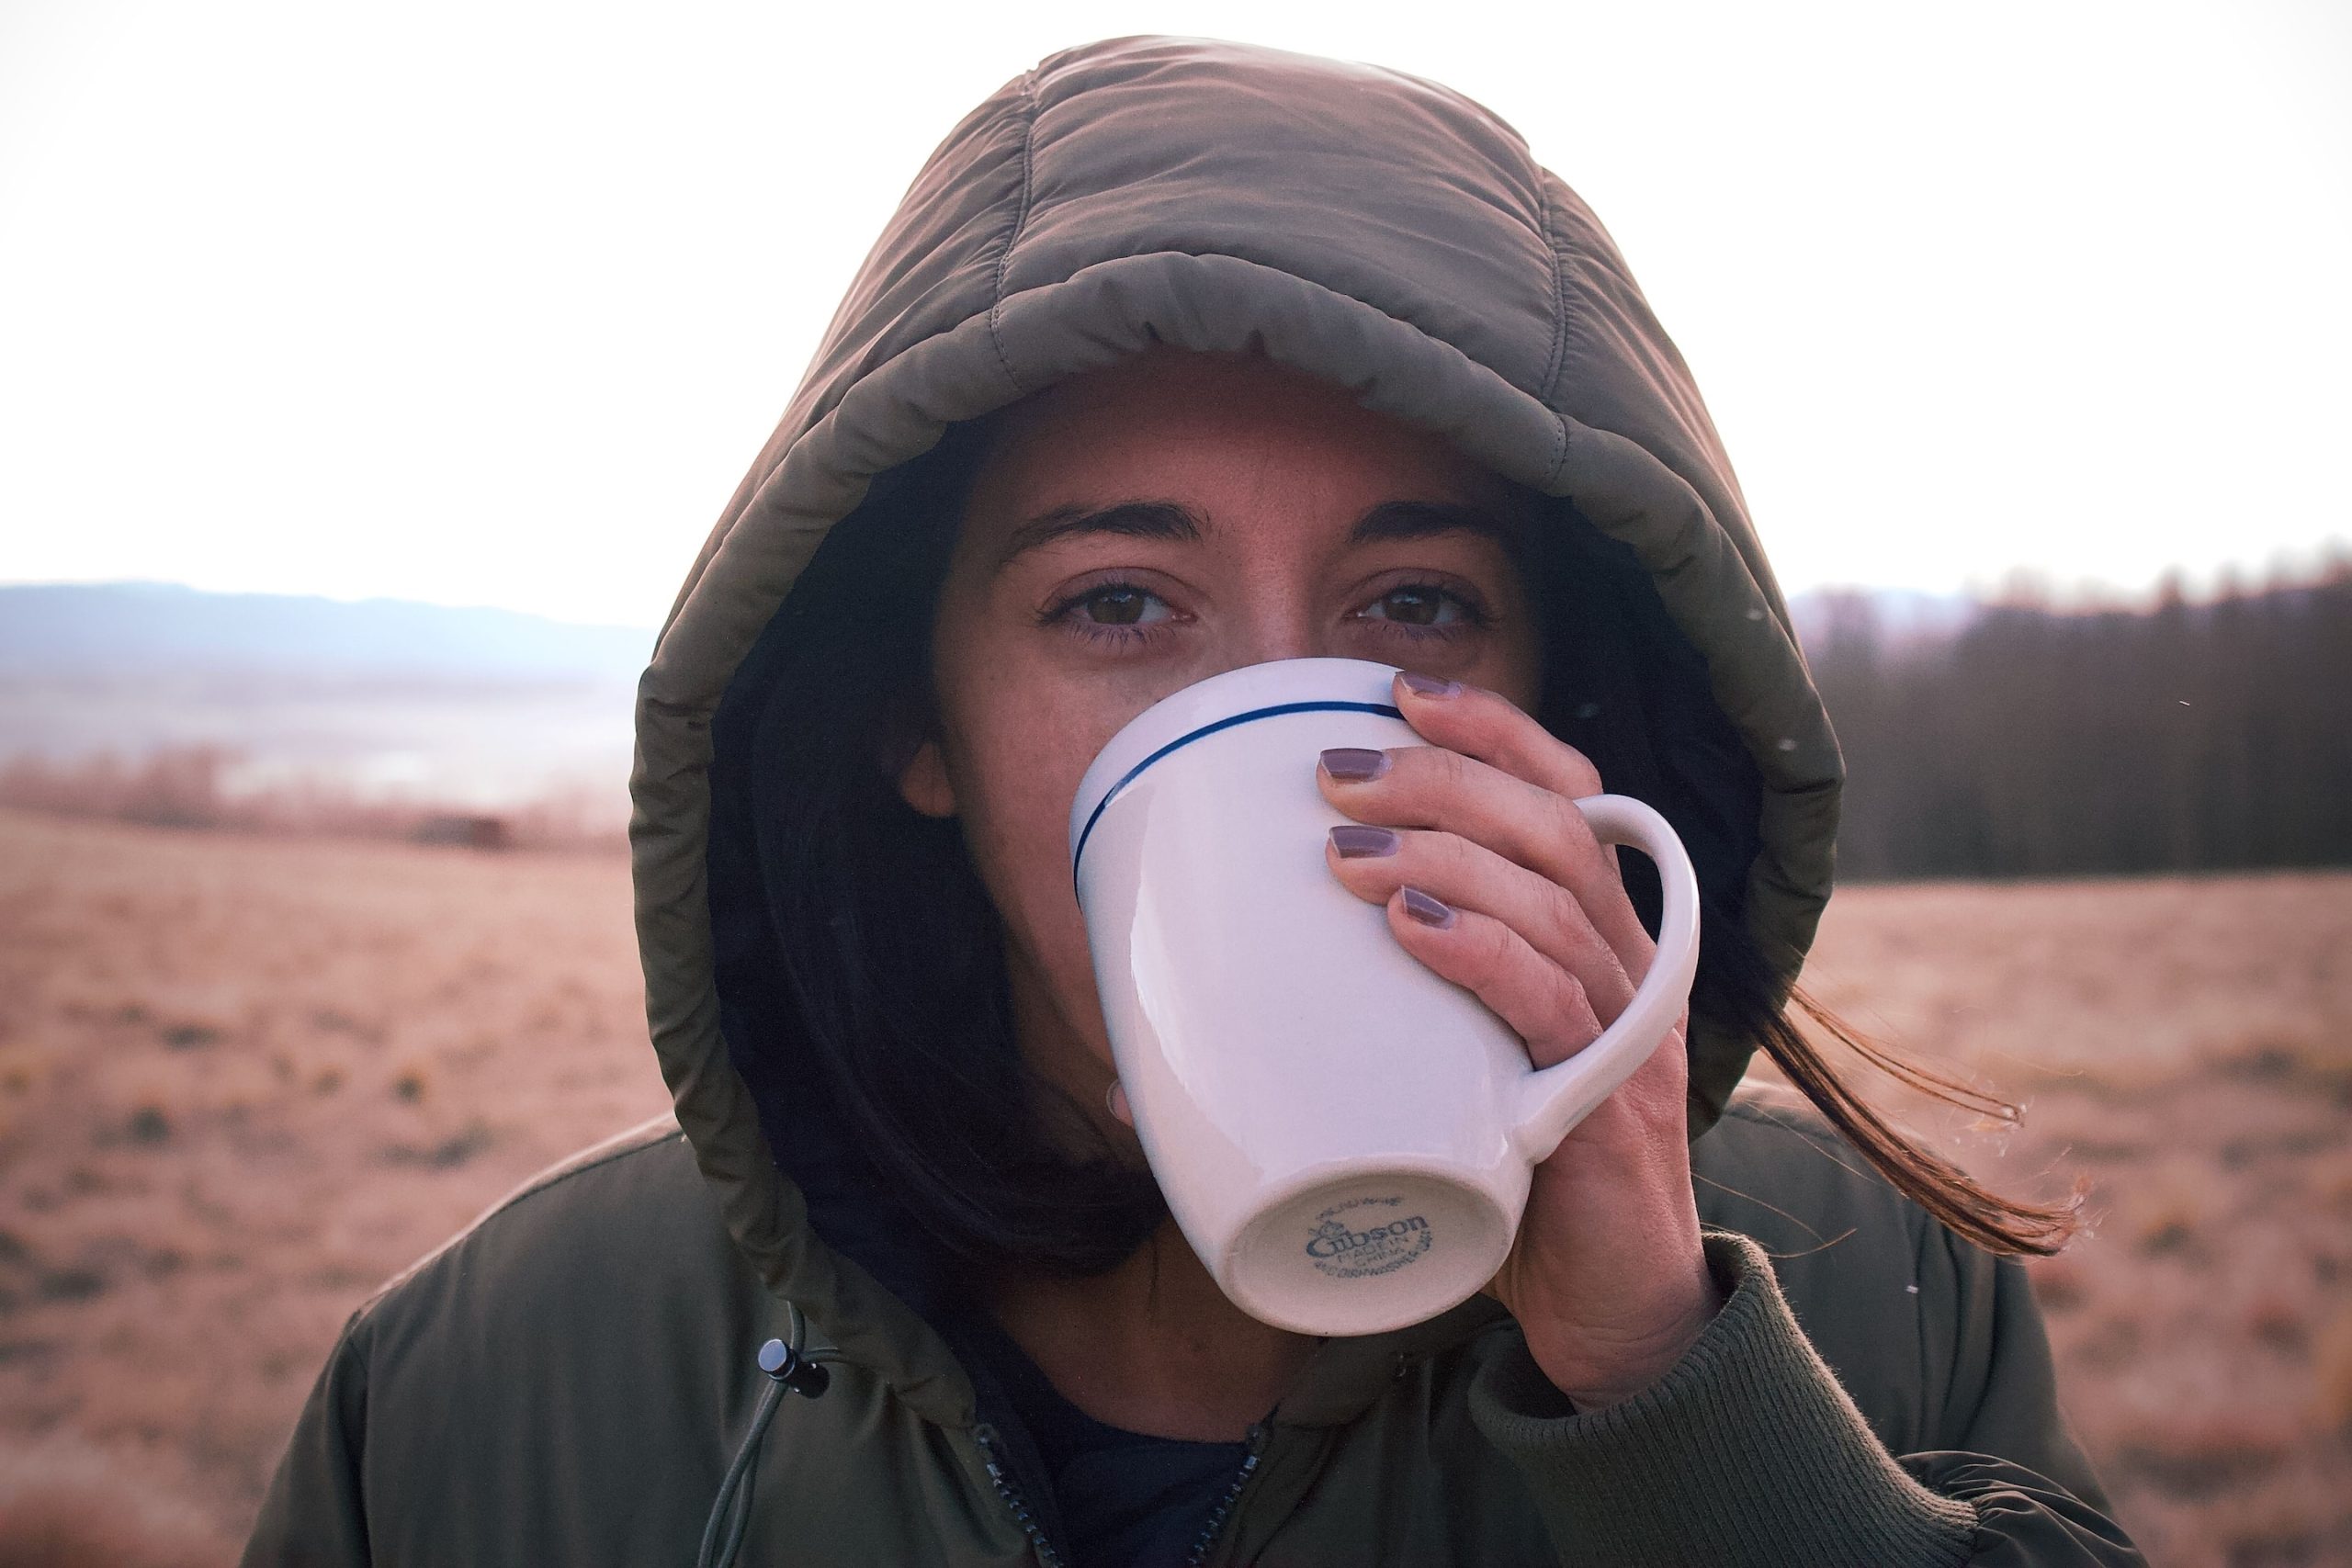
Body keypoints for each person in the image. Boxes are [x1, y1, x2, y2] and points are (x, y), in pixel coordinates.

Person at [243, 35, 2144, 1567]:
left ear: (1561, 719)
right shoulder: (484, 1384)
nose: (1274, 727)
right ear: (920, 721)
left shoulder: (1874, 1303)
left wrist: (1667, 1381)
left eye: (1412, 604)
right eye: (1118, 603)